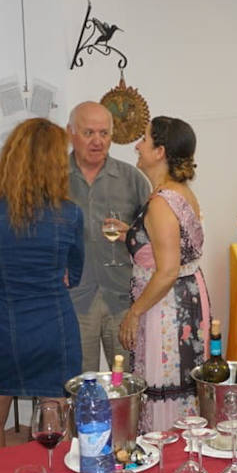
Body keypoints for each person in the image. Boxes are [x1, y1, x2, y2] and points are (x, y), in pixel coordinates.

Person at [0, 118, 84, 450]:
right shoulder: (70, 214)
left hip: (8, 328)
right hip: (55, 329)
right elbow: (72, 275)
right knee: (55, 420)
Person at [118, 117, 210, 432]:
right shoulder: (180, 192)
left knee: (165, 381)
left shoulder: (161, 203)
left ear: (160, 151)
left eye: (143, 139)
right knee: (184, 382)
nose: (137, 146)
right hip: (187, 298)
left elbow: (167, 270)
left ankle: (164, 452)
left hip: (166, 308)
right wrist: (130, 234)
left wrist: (134, 312)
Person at [67, 102, 149, 373]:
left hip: (123, 299)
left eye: (104, 133)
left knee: (128, 383)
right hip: (75, 300)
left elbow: (156, 238)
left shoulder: (131, 179)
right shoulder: (52, 178)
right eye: (89, 133)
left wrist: (132, 235)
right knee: (79, 385)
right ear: (71, 133)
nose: (97, 141)